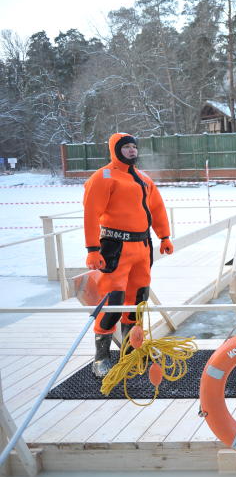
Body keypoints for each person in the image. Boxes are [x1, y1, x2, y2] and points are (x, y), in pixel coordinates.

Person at [83, 133, 173, 378]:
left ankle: (131, 352)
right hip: (115, 247)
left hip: (142, 248)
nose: (132, 151)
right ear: (116, 150)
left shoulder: (143, 179)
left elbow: (157, 208)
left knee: (137, 304)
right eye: (127, 147)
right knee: (113, 303)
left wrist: (164, 236)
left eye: (134, 146)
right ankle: (101, 357)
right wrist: (92, 249)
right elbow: (91, 213)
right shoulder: (103, 177)